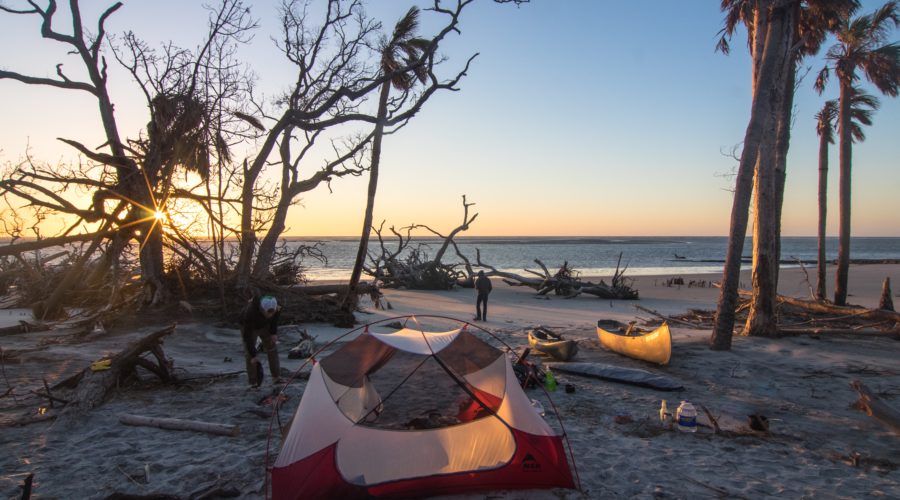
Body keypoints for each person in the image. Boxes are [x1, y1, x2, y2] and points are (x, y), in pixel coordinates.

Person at [241, 295, 282, 387]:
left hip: (265, 326)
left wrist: (273, 333)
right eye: (268, 313)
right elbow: (247, 337)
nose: (270, 315)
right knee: (250, 356)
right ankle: (253, 382)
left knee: (272, 348)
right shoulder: (250, 312)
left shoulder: (277, 307)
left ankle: (276, 377)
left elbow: (275, 319)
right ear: (262, 309)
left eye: (273, 312)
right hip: (250, 327)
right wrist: (253, 355)